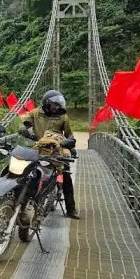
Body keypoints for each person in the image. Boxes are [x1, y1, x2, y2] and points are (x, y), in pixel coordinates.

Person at [27, 90, 80, 219]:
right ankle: (27, 201)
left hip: (56, 149)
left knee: (66, 176)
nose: (57, 107)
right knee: (29, 172)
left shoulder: (63, 116)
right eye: (54, 105)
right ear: (46, 103)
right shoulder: (35, 113)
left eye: (58, 105)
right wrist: (27, 131)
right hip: (38, 148)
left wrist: (70, 142)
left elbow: (69, 134)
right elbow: (25, 123)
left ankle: (71, 209)